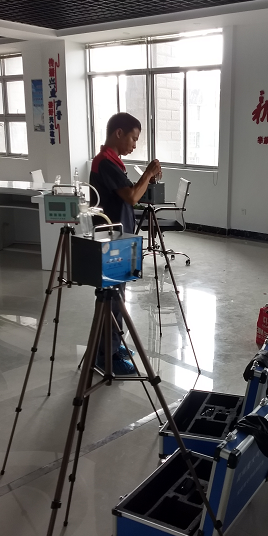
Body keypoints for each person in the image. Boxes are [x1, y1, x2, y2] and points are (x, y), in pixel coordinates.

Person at [89, 112, 161, 375]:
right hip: (110, 239)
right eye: (133, 138)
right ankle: (105, 355)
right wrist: (148, 173)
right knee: (111, 297)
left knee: (117, 295)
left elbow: (131, 195)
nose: (134, 144)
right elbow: (131, 197)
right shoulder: (105, 162)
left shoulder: (113, 162)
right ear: (119, 133)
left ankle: (113, 346)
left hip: (119, 237)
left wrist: (148, 180)